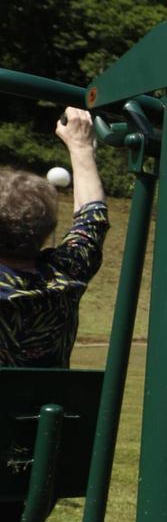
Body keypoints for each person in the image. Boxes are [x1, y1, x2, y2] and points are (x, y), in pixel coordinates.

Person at [0, 110, 108, 369]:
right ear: (47, 229)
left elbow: (92, 218)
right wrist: (80, 146)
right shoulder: (67, 273)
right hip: (48, 408)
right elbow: (92, 218)